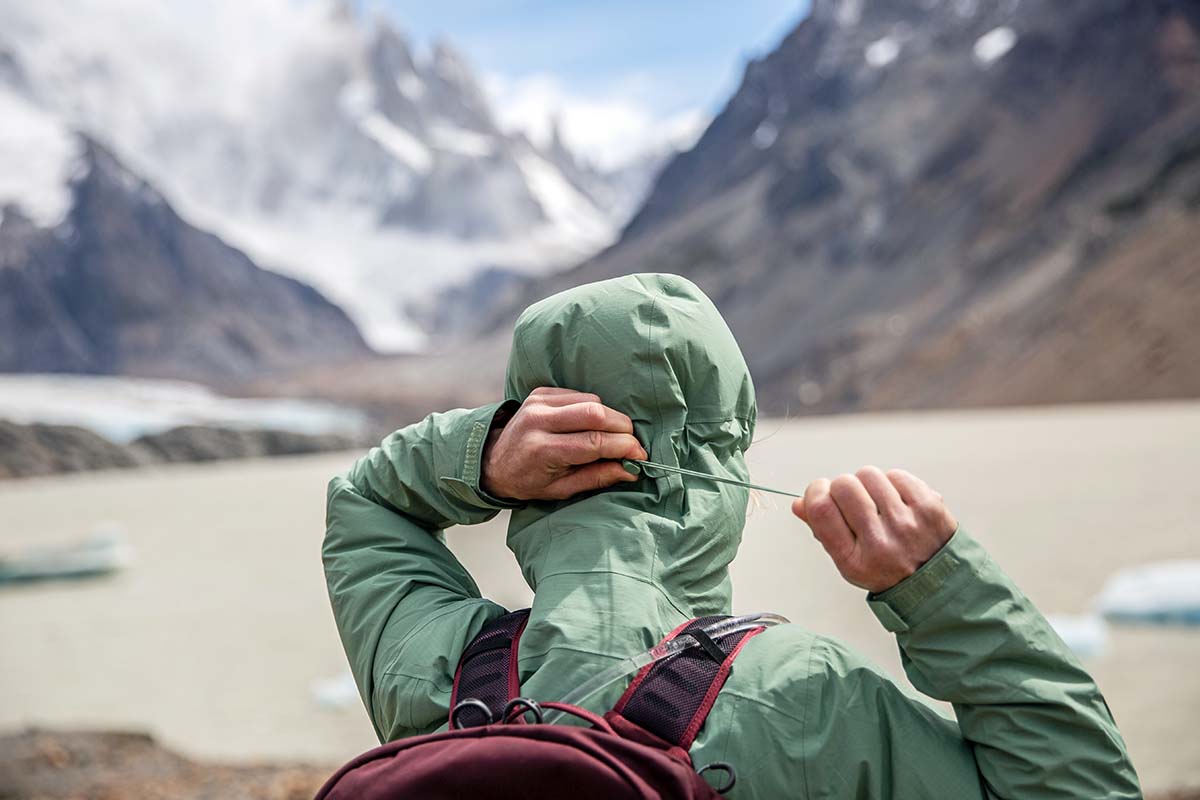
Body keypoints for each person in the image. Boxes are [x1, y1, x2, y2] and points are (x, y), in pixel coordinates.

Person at [323, 273, 1141, 798]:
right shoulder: (805, 694)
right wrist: (942, 590)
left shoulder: (437, 669)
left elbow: (364, 502)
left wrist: (485, 453)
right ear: (721, 469)